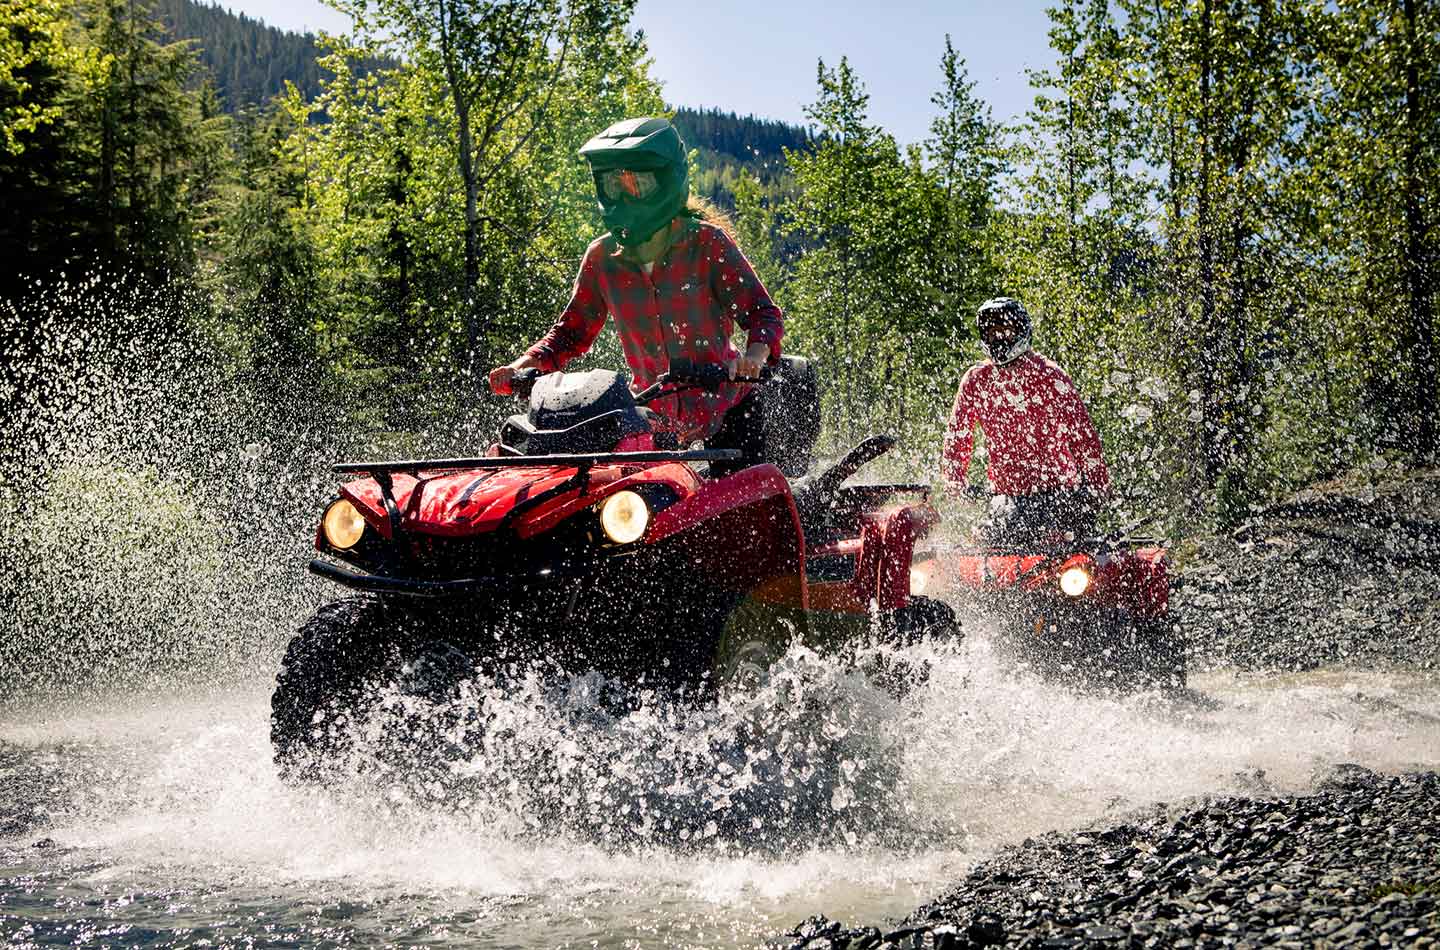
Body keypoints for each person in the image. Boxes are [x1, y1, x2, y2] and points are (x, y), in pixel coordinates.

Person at [488, 116, 783, 460]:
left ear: (667, 180)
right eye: (613, 185)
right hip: (650, 419)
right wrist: (522, 367)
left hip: (729, 412)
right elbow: (570, 334)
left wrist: (753, 357)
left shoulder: (707, 244)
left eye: (636, 184)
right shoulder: (602, 259)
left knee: (740, 508)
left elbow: (762, 313)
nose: (624, 195)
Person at [941, 297, 1111, 544]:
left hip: (1059, 494)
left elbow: (1083, 437)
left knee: (1064, 556)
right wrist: (955, 482)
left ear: (1021, 331)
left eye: (1005, 330)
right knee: (986, 553)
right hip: (1005, 498)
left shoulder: (1050, 375)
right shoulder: (977, 380)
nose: (999, 338)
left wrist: (1097, 484)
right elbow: (958, 436)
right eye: (991, 332)